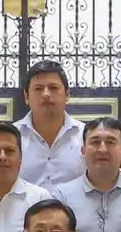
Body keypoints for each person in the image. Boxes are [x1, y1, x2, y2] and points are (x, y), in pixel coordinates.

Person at [18, 60, 84, 189]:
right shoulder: (12, 136)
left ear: (67, 94)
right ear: (26, 97)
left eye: (53, 88)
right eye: (38, 88)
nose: (46, 94)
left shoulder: (86, 136)